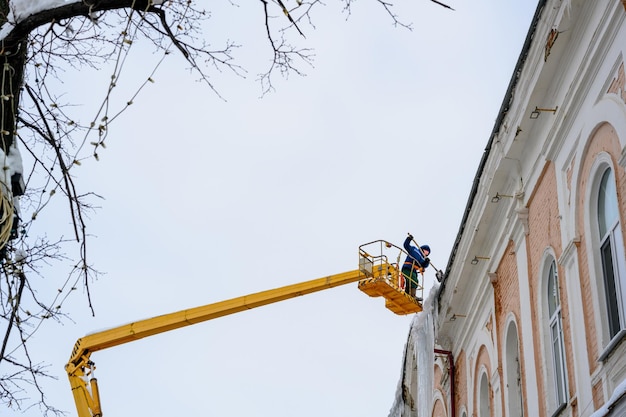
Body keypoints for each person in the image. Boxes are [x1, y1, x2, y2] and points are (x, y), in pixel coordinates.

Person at [401, 234, 430, 298]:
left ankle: (407, 295)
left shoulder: (422, 259)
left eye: (428, 253)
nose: (427, 253)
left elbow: (424, 265)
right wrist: (409, 239)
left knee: (412, 282)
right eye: (427, 252)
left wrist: (427, 261)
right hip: (408, 267)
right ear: (423, 249)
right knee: (413, 281)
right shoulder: (414, 249)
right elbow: (406, 245)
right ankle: (412, 295)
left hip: (413, 270)